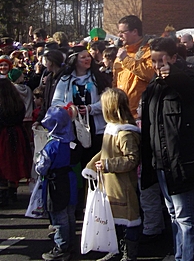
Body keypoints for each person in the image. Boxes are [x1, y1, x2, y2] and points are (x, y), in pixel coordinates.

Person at [141, 36, 194, 261]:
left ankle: (191, 257)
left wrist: (173, 75)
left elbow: (192, 91)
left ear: (174, 58)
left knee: (185, 215)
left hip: (182, 161)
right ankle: (180, 254)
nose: (157, 66)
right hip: (162, 161)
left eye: (162, 60)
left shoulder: (186, 77)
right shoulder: (154, 84)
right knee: (173, 213)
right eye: (153, 61)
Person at [82, 88, 141, 261]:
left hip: (122, 185)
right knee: (113, 219)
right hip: (109, 184)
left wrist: (108, 164)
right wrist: (91, 167)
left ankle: (129, 253)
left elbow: (132, 159)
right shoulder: (111, 129)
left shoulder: (125, 133)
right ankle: (115, 249)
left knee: (128, 219)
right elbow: (104, 152)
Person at [52, 45, 110, 163]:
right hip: (74, 128)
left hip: (96, 128)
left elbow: (108, 100)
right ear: (75, 61)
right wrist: (70, 108)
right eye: (83, 57)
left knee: (94, 161)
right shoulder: (65, 80)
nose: (87, 59)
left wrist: (91, 108)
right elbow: (56, 102)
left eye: (88, 56)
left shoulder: (98, 77)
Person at [37, 106, 80, 261]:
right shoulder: (73, 142)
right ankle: (71, 243)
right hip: (70, 179)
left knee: (59, 217)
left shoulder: (52, 145)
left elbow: (41, 167)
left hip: (55, 183)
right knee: (70, 214)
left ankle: (61, 247)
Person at [0, 76, 32, 208]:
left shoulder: (0, 106)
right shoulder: (18, 104)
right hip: (18, 134)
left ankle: (2, 197)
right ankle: (12, 192)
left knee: (2, 165)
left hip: (4, 137)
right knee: (14, 163)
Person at [113, 15, 155, 118]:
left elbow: (150, 74)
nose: (119, 35)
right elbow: (115, 82)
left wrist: (126, 60)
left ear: (135, 31)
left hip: (141, 113)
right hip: (121, 112)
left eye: (122, 32)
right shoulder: (121, 52)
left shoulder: (149, 50)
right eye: (119, 32)